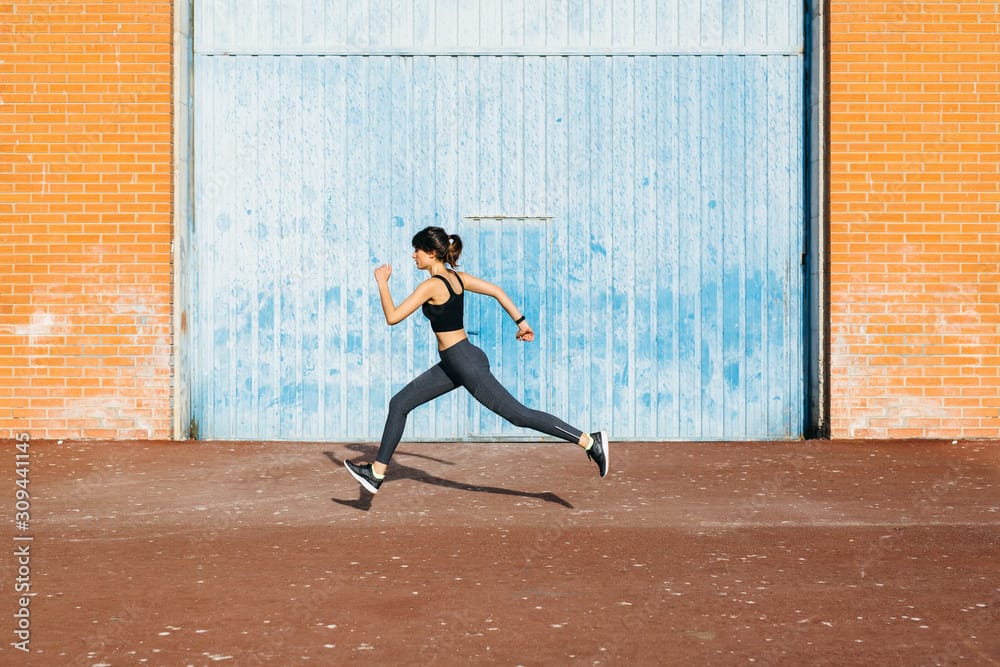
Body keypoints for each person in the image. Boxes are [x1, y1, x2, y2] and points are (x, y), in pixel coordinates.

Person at [344, 226, 609, 494]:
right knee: (399, 403)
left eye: (417, 250)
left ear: (432, 253)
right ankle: (377, 473)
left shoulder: (432, 285)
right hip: (455, 361)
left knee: (518, 415)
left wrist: (382, 284)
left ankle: (589, 441)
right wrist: (521, 322)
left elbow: (393, 317)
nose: (414, 256)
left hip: (464, 361)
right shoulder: (457, 279)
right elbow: (497, 291)